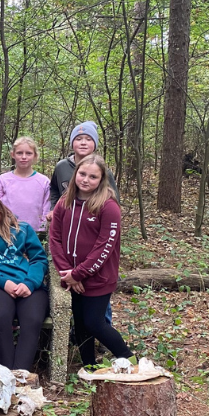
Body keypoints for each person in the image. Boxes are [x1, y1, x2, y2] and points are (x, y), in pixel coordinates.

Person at [48, 155, 134, 368]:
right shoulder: (64, 202)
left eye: (93, 176)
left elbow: (105, 247)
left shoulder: (108, 206)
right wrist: (67, 272)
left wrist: (79, 273)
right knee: (80, 325)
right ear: (75, 173)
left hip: (98, 277)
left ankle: (130, 359)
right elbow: (55, 237)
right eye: (82, 174)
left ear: (102, 179)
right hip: (70, 275)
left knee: (94, 323)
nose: (86, 180)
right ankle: (89, 366)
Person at [0, 191, 49, 371]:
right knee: (0, 317)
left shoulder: (22, 229)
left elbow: (39, 259)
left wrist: (30, 283)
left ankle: (20, 374)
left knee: (32, 320)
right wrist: (3, 282)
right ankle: (7, 371)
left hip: (28, 284)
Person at [47, 121, 119, 216]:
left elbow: (114, 200)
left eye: (89, 139)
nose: (83, 143)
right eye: (78, 139)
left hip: (92, 220)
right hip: (65, 219)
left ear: (95, 144)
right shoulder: (61, 167)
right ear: (72, 143)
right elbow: (54, 190)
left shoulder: (103, 170)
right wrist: (53, 209)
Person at [0, 136, 51, 233]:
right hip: (7, 231)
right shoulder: (3, 180)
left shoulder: (44, 181)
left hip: (34, 233)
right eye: (19, 153)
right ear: (13, 154)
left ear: (35, 156)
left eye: (28, 153)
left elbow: (46, 208)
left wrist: (41, 230)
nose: (24, 157)